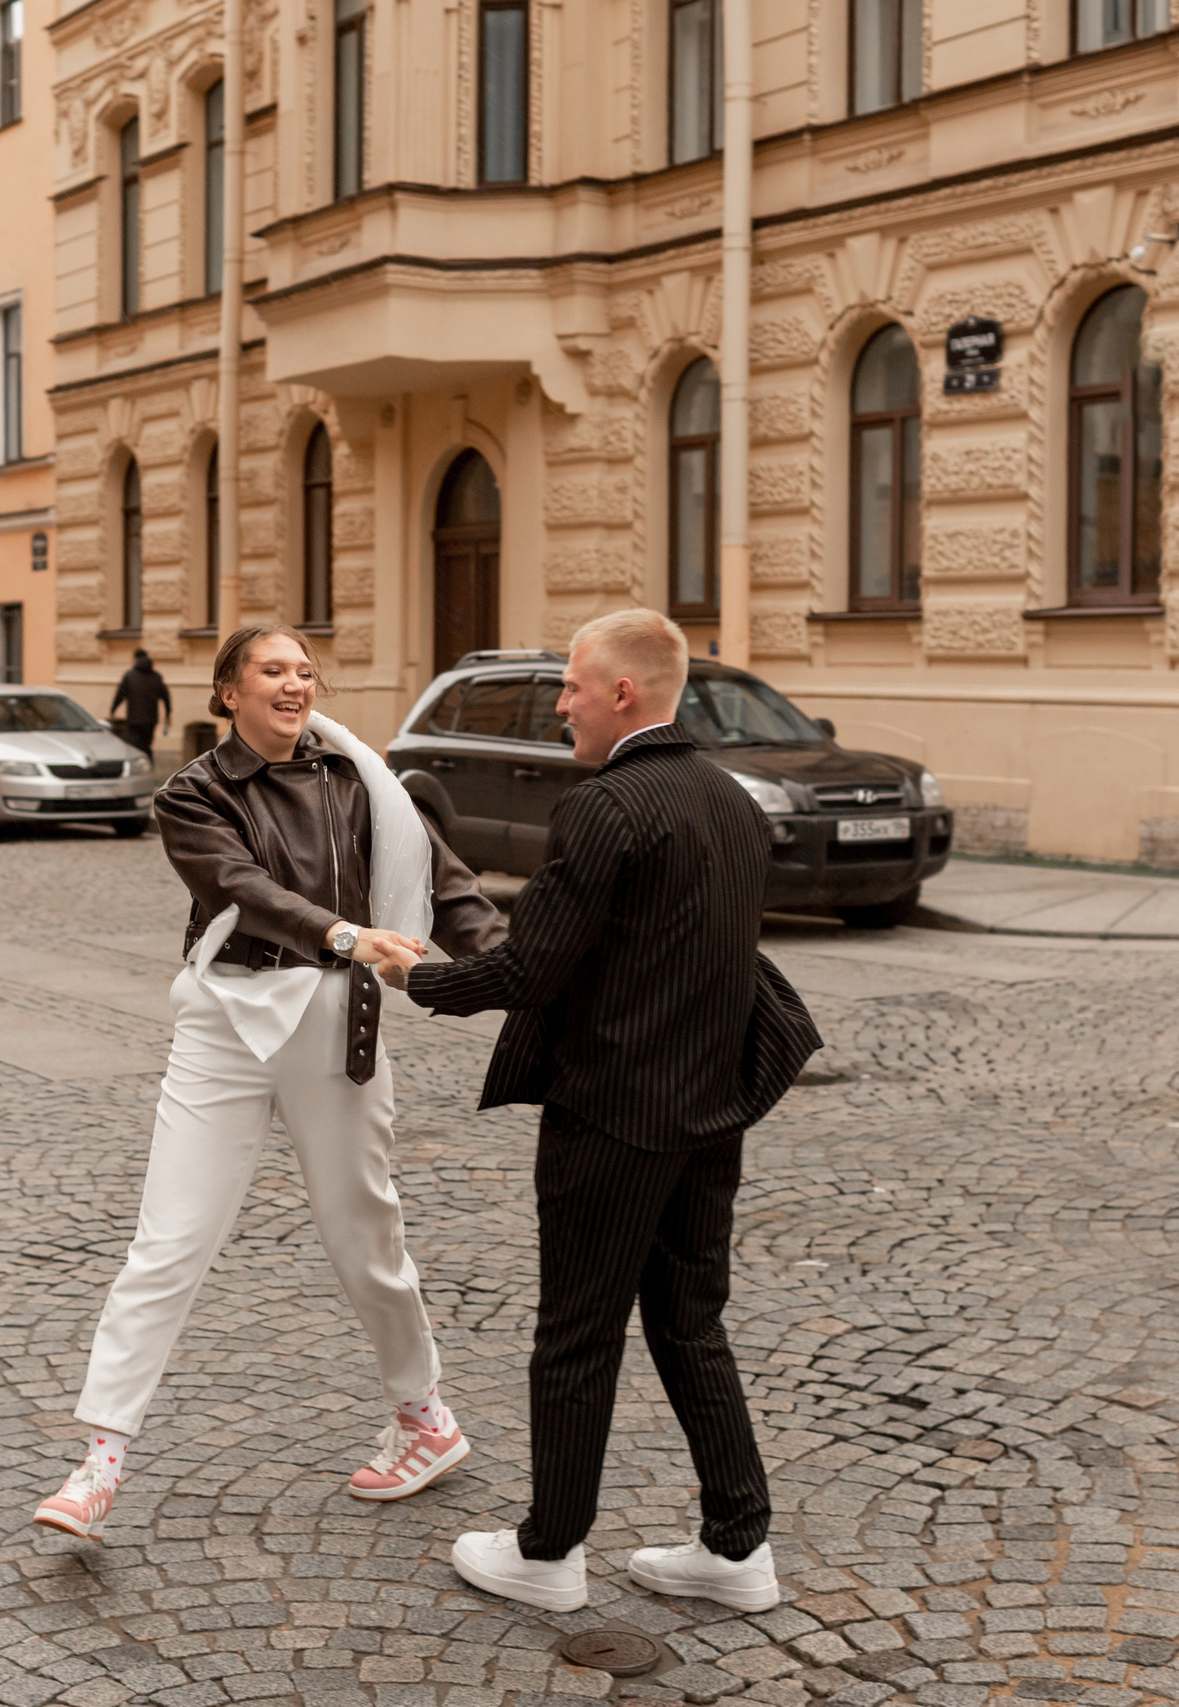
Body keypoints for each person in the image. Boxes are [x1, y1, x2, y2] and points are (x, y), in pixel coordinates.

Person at [34, 623, 510, 1542]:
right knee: (168, 1238)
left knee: (364, 1234)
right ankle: (100, 1461)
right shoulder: (193, 793)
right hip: (225, 1022)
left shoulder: (361, 784)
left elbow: (449, 888)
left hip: (334, 1025)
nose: (295, 683)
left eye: (304, 669)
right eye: (272, 670)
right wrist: (346, 934)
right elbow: (242, 886)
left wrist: (524, 981)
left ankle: (426, 1420)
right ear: (229, 693)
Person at [391, 608, 821, 1615]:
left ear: (622, 693)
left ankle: (548, 1554)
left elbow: (534, 967)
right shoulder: (730, 801)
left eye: (572, 687)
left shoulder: (605, 807)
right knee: (689, 1327)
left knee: (577, 1336)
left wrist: (417, 979)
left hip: (613, 1120)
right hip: (710, 1114)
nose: (561, 704)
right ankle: (737, 1548)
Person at [109, 648, 172, 759]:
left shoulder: (129, 676)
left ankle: (139, 769)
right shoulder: (156, 677)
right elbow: (166, 696)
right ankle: (148, 767)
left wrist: (113, 710)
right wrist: (168, 714)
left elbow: (120, 695)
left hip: (134, 719)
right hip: (150, 720)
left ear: (135, 659)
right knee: (147, 745)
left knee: (135, 746)